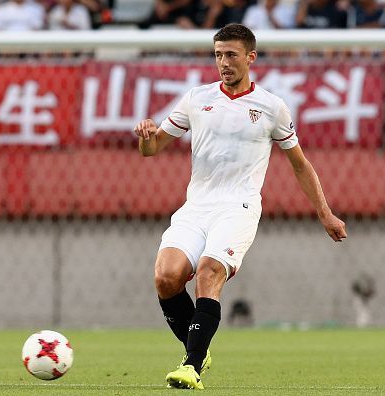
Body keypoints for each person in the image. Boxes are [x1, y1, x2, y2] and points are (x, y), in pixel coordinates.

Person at [133, 23, 347, 390]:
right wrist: (147, 137)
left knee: (208, 271)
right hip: (196, 206)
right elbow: (153, 150)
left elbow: (299, 164)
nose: (223, 62)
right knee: (165, 278)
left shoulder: (270, 107)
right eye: (218, 55)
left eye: (231, 55)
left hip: (239, 207)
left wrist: (324, 213)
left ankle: (192, 365)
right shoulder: (196, 98)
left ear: (251, 57)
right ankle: (196, 344)